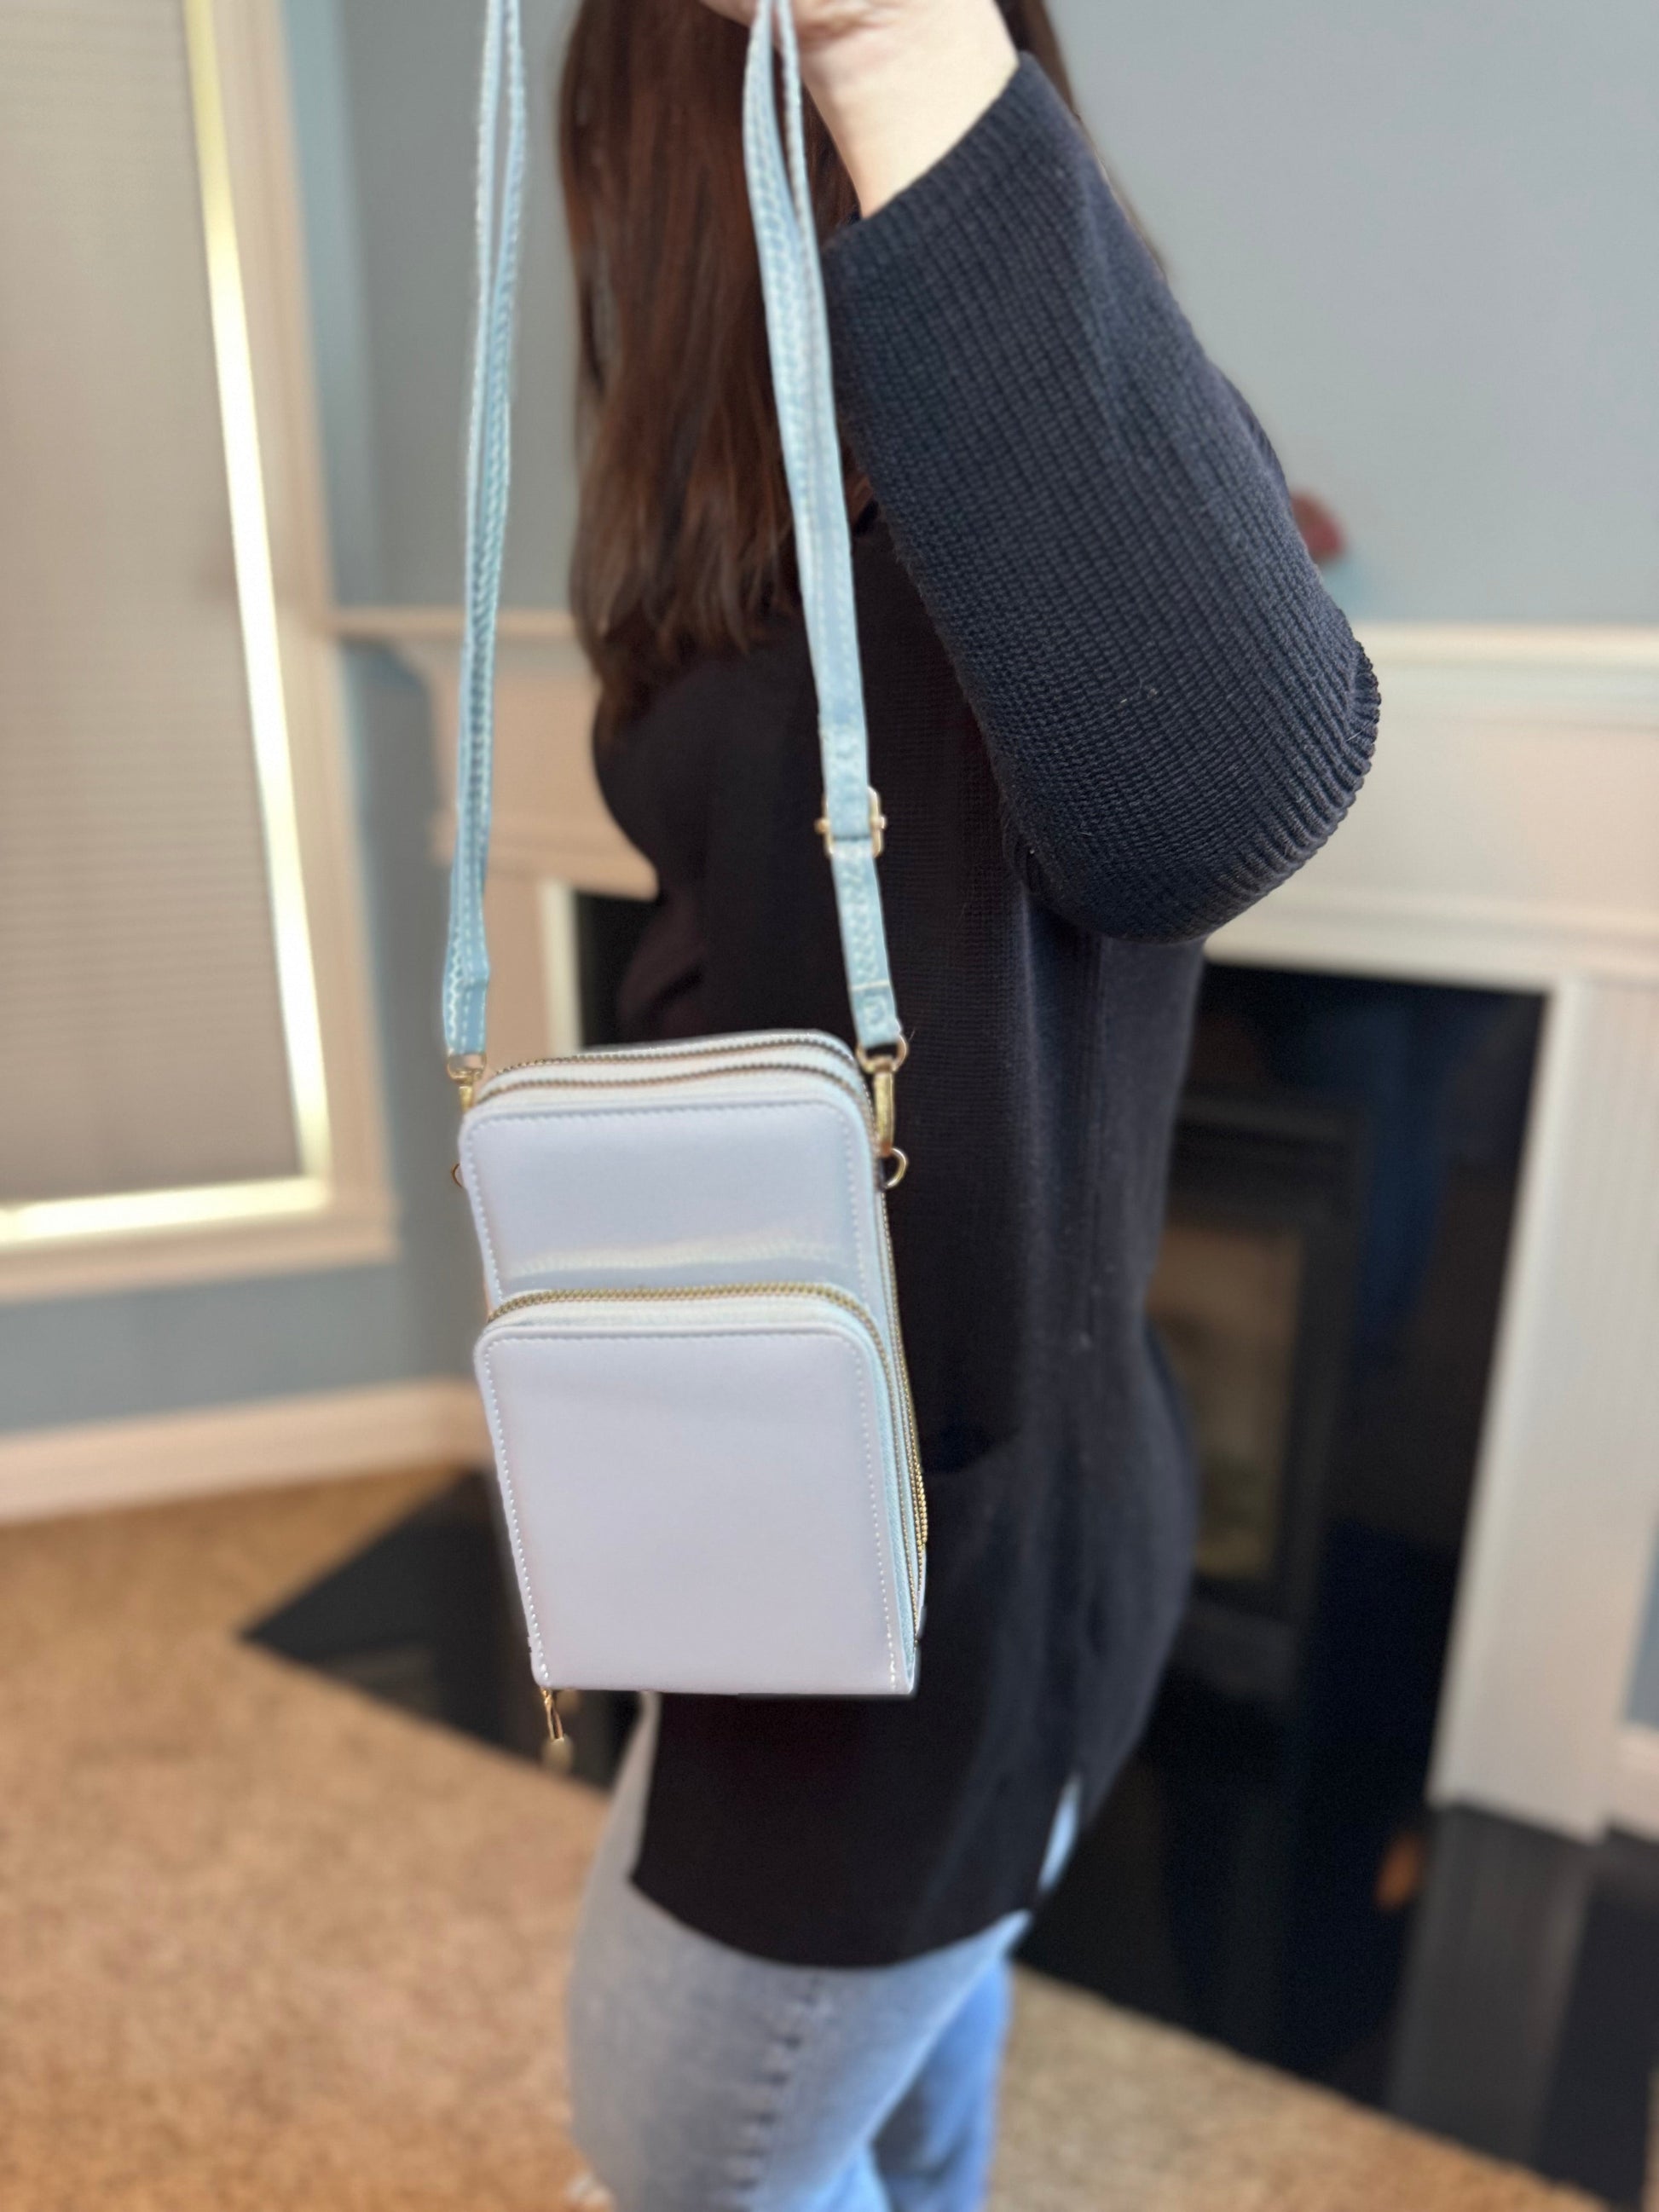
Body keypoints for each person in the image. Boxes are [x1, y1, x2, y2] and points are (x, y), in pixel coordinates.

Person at [558, 2, 1378, 2205]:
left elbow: (1226, 776)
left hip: (930, 1610)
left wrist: (885, 39)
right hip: (833, 1528)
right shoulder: (794, 534)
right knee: (910, 2105)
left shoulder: (986, 491)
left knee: (685, 2149)